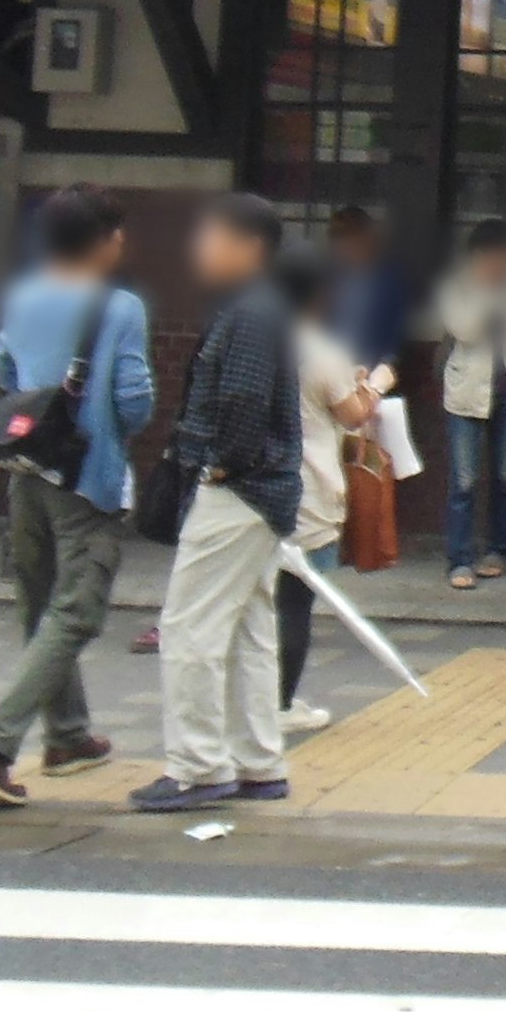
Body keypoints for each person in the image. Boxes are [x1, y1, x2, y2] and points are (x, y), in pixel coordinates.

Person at [0, 185, 156, 807]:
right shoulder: (119, 307)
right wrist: (116, 431)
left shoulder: (22, 295)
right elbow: (133, 399)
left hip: (27, 468)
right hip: (87, 475)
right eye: (116, 231)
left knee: (39, 605)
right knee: (79, 610)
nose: (122, 240)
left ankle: (67, 735)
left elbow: (4, 370)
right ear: (98, 242)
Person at [132, 193, 303, 814]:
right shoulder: (261, 308)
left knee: (189, 626)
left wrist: (223, 464)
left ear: (248, 247)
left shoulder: (251, 312)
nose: (198, 248)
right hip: (263, 492)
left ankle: (199, 767)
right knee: (249, 628)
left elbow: (243, 401)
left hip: (238, 490)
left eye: (210, 237)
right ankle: (259, 762)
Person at [272, 247, 382, 735]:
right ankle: (279, 704)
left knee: (257, 603)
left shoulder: (258, 341)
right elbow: (354, 415)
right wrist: (375, 385)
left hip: (254, 490)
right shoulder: (320, 350)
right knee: (294, 602)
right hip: (307, 489)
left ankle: (254, 702)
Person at [432, 219, 506, 590]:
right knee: (464, 480)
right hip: (466, 396)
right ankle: (459, 559)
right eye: (498, 257)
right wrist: (485, 292)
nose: (504, 264)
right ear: (479, 257)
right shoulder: (456, 286)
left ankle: (498, 550)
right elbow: (465, 330)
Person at [322, 204, 413, 371]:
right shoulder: (333, 275)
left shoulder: (391, 279)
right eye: (342, 243)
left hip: (369, 369)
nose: (349, 249)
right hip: (330, 368)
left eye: (353, 240)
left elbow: (394, 337)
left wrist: (383, 371)